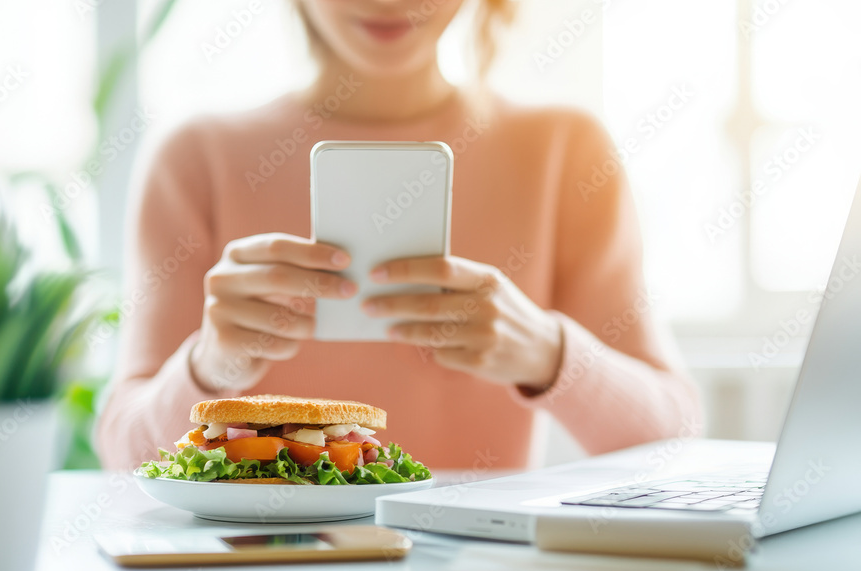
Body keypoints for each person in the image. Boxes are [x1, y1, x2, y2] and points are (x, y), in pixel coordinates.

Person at [96, 0, 701, 471]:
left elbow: (673, 435)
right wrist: (209, 368)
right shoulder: (194, 159)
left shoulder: (566, 150)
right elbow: (125, 459)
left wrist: (548, 353)